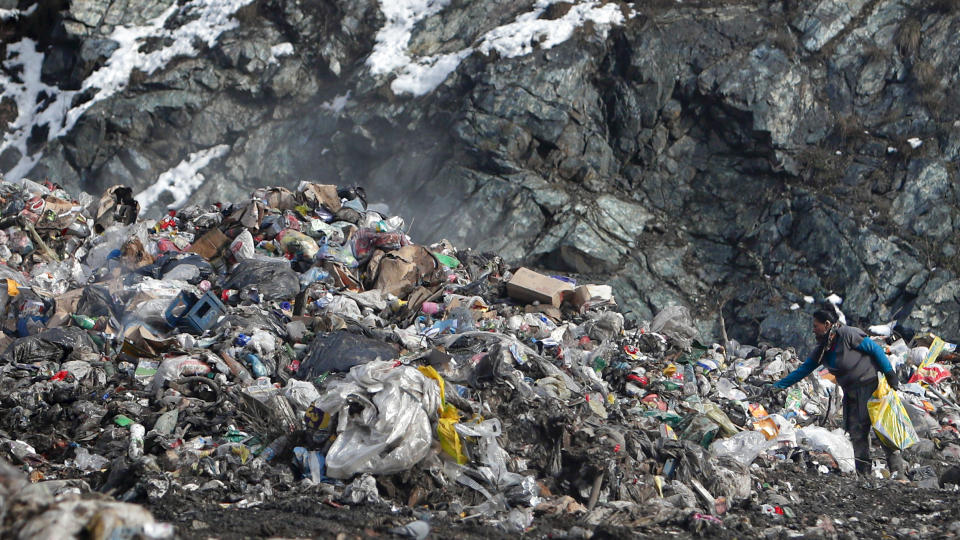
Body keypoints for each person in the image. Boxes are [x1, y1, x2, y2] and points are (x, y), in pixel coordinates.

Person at [770, 309, 904, 476]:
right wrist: (778, 386)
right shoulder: (822, 350)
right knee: (857, 433)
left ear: (827, 324)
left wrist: (889, 373)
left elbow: (875, 350)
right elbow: (803, 370)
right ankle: (864, 476)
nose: (813, 330)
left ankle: (899, 474)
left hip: (871, 388)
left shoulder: (847, 334)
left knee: (882, 430)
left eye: (815, 326)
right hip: (851, 393)